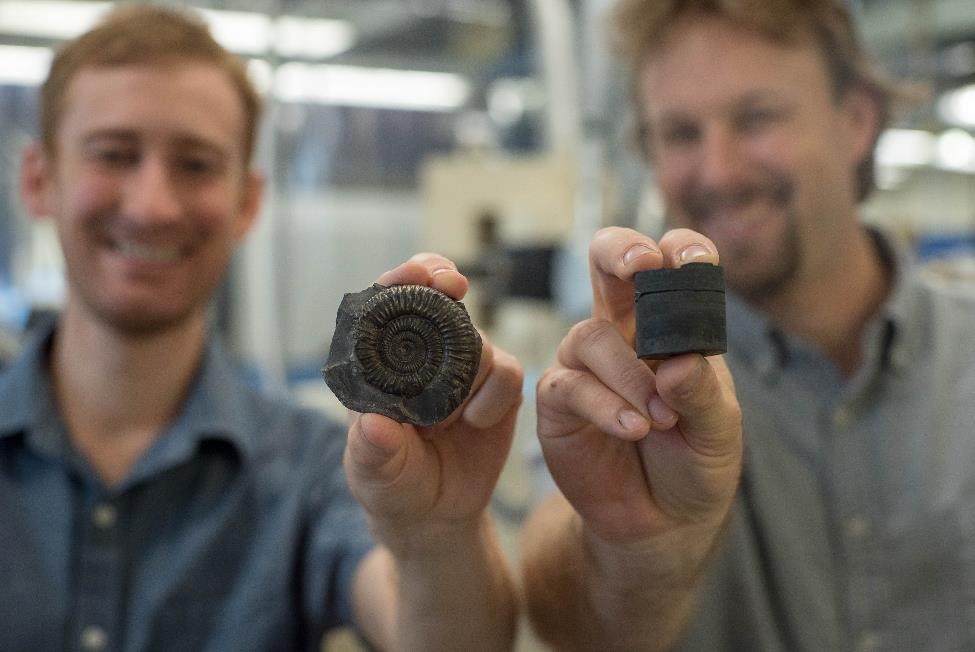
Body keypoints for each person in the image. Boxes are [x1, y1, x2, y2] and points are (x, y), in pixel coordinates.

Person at [0, 6, 523, 651]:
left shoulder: (317, 470)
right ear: (38, 180)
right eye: (114, 155)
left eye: (195, 165)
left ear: (247, 202)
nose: (152, 207)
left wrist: (438, 541)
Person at [521, 0, 975, 650]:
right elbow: (566, 624)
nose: (718, 171)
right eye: (679, 133)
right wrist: (638, 552)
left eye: (756, 117)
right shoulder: (622, 383)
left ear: (855, 120)